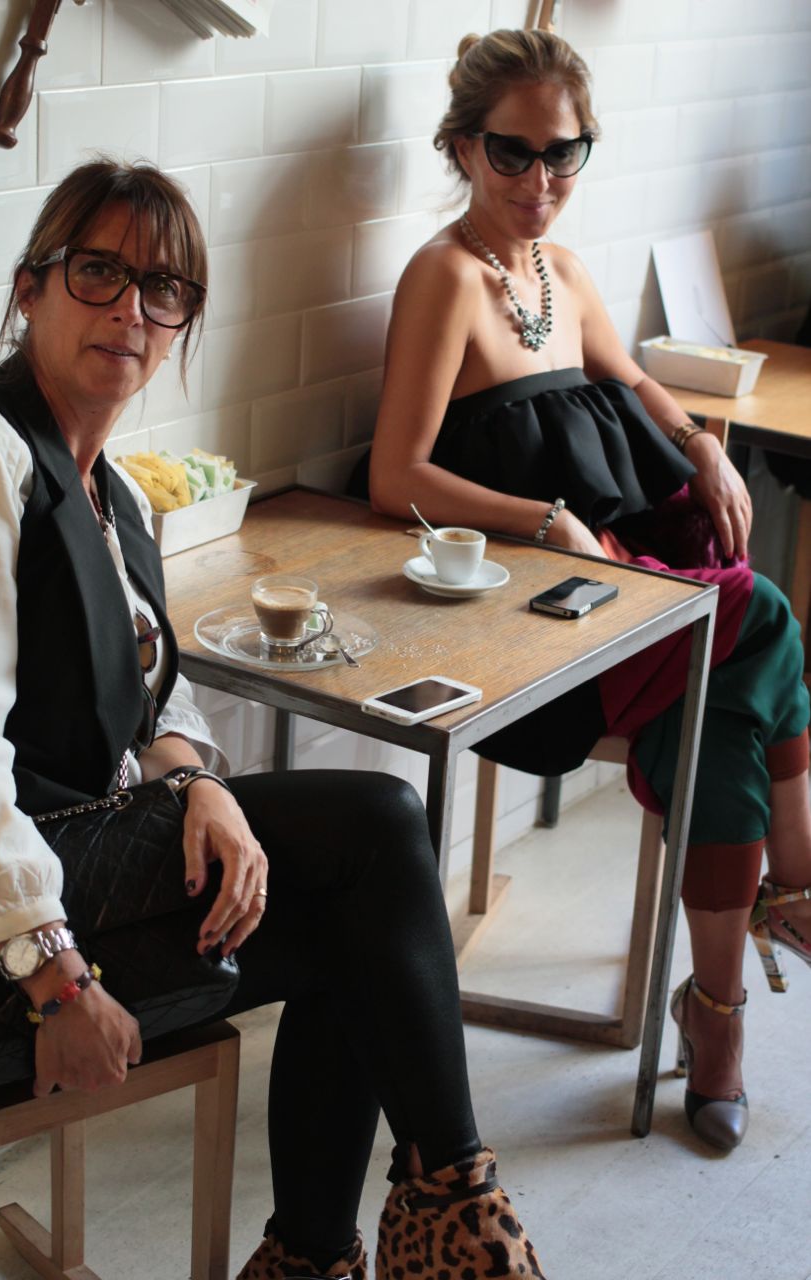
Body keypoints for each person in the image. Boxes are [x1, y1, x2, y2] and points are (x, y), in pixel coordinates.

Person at [0, 158, 548, 1280]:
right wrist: (58, 981)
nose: (132, 310)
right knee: (378, 823)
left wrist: (197, 782)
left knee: (351, 933)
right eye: (98, 272)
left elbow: (151, 692)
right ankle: (461, 1222)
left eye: (163, 288)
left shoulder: (114, 492)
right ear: (30, 287)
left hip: (69, 864)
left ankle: (316, 1256)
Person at [366, 27, 811, 1154]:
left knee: (717, 713)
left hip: (616, 575)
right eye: (511, 153)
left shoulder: (558, 270)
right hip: (531, 619)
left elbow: (627, 379)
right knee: (759, 617)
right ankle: (792, 893)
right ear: (462, 148)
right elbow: (394, 475)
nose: (540, 180)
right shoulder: (443, 277)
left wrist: (699, 444)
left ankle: (717, 1017)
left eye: (563, 153)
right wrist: (544, 520)